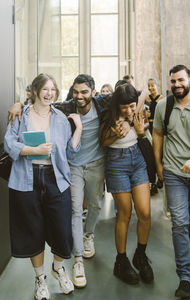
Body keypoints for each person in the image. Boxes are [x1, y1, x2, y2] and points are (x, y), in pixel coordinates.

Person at [7, 74, 139, 288]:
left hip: (92, 164)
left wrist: (128, 119)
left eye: (84, 92)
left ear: (93, 92)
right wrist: (18, 103)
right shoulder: (65, 108)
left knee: (93, 205)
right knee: (75, 211)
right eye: (76, 92)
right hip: (71, 166)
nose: (80, 96)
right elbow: (40, 105)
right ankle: (77, 261)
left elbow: (133, 95)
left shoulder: (100, 103)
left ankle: (86, 238)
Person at [4, 73, 82, 300]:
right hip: (26, 179)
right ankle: (40, 279)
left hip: (55, 178)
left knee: (62, 230)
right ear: (36, 91)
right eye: (45, 89)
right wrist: (35, 151)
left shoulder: (60, 118)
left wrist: (78, 129)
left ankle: (58, 268)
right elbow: (10, 145)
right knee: (33, 230)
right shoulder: (20, 115)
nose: (49, 94)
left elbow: (70, 152)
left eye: (53, 90)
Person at [99, 83, 154, 285]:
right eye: (125, 107)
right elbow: (103, 141)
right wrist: (117, 133)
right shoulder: (109, 116)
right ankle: (121, 261)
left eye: (132, 106)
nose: (130, 110)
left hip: (137, 160)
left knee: (145, 212)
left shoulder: (137, 112)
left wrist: (137, 128)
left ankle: (140, 255)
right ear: (117, 104)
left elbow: (144, 95)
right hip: (116, 163)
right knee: (125, 213)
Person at [153, 64, 190, 298]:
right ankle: (184, 277)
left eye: (181, 80)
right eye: (173, 81)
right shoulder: (164, 105)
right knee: (179, 223)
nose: (177, 85)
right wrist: (160, 167)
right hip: (174, 173)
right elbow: (158, 134)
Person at [145, 78, 163, 195]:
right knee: (150, 155)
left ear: (157, 85)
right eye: (149, 86)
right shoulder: (146, 99)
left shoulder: (162, 99)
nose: (151, 88)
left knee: (159, 153)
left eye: (153, 85)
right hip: (148, 127)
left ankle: (160, 177)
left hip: (158, 128)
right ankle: (152, 182)